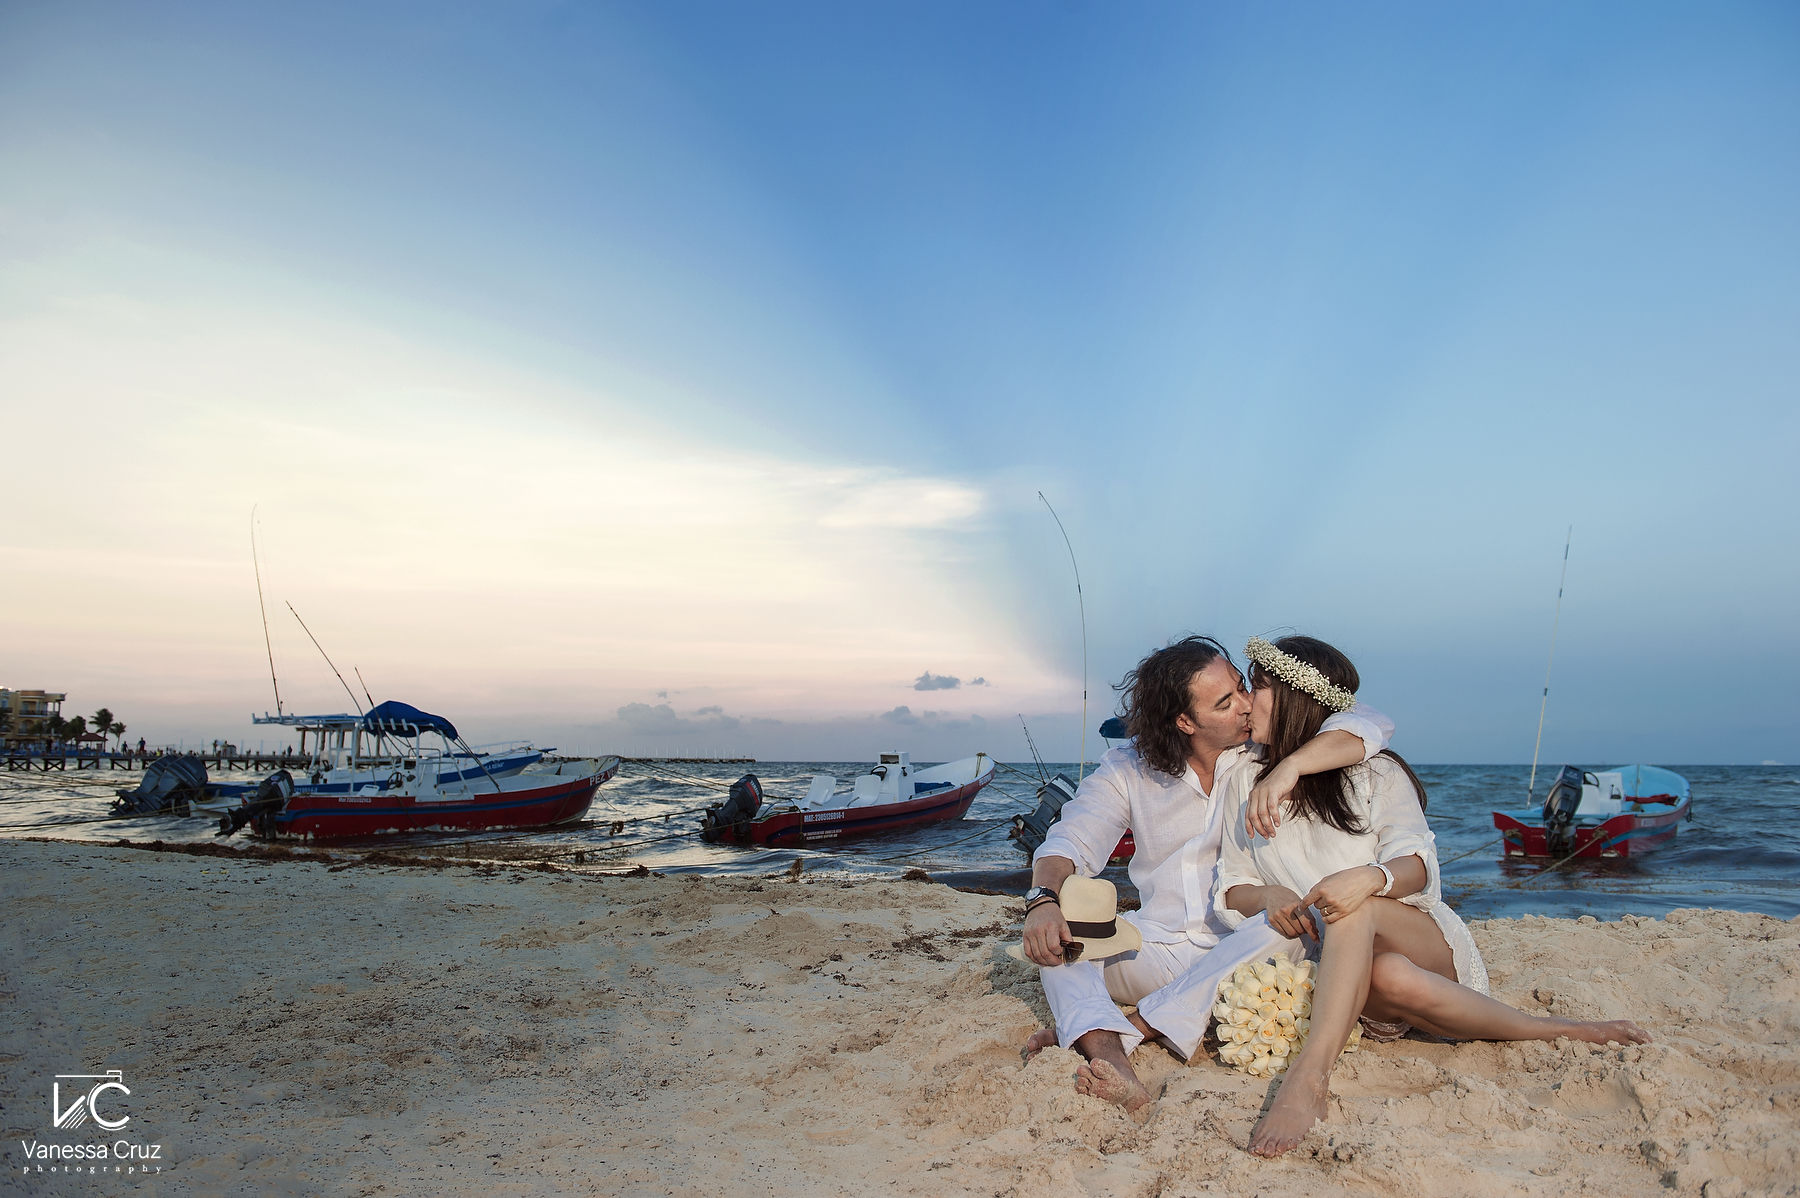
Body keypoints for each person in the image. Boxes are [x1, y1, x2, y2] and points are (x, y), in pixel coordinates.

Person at [1217, 635, 1651, 1157]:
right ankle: (1550, 1030)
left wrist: (1370, 878)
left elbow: (1417, 865)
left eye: (1258, 687)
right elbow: (1233, 883)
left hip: (1414, 931)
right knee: (1387, 973)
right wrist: (1267, 894)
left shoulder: (1374, 771)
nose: (1246, 702)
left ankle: (1310, 1075)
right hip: (1343, 966)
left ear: (1294, 697)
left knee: (1355, 910)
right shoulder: (1242, 777)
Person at [1019, 635, 1396, 1118]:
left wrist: (1291, 768)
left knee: (1293, 921)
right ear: (1185, 721)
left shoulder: (1265, 754)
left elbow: (1370, 722)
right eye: (1226, 702)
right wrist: (1042, 900)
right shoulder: (1128, 769)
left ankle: (1113, 1032)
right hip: (1156, 949)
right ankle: (1114, 1055)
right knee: (1059, 935)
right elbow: (1070, 841)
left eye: (1243, 688)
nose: (1246, 706)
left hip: (1251, 951)